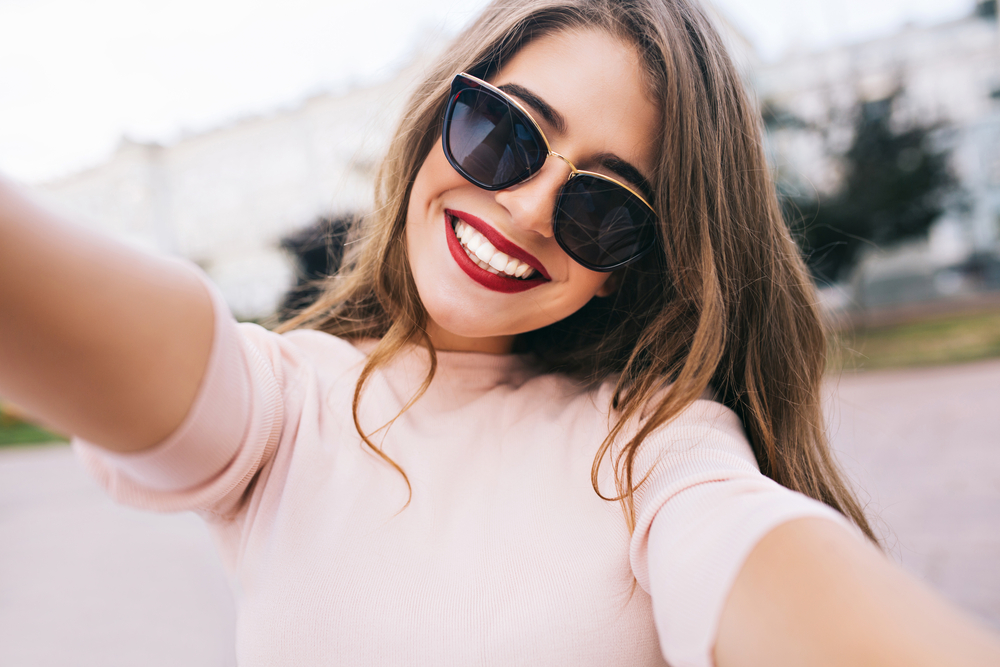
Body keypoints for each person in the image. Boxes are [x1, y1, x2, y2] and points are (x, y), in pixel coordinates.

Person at [1, 0, 998, 665]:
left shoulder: (655, 445)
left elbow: (753, 546)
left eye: (603, 207)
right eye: (503, 133)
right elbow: (136, 330)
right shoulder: (289, 404)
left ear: (634, 267)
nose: (524, 207)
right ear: (442, 114)